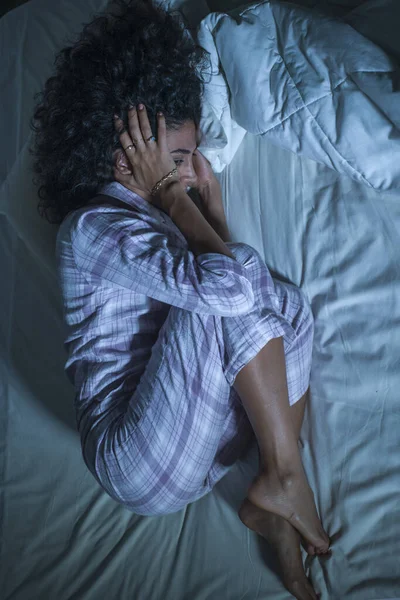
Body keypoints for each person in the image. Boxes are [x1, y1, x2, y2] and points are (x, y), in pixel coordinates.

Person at [31, 1, 330, 598]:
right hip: (137, 457)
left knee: (287, 305)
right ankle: (286, 472)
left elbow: (238, 292)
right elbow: (226, 288)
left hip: (201, 437)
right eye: (173, 161)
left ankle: (271, 489)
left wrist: (205, 212)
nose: (188, 174)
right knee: (232, 288)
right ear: (124, 158)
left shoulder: (154, 221)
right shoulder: (90, 230)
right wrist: (177, 201)